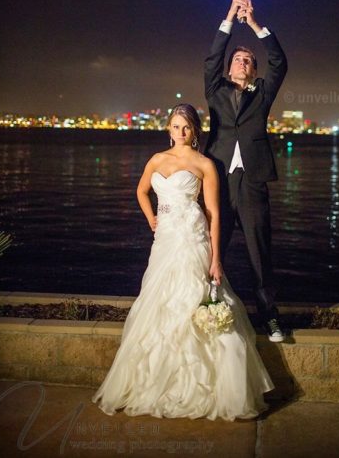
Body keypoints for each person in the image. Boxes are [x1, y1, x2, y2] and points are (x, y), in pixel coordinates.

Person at [91, 103, 274, 420]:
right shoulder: (157, 159)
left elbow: (215, 214)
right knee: (158, 303)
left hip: (193, 240)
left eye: (186, 127)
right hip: (164, 242)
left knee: (195, 301)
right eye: (176, 126)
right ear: (169, 129)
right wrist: (152, 220)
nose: (181, 132)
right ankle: (153, 382)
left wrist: (217, 259)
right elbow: (141, 190)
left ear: (194, 131)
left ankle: (210, 386)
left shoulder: (204, 164)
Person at [204, 0, 288, 342]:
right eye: (237, 58)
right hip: (219, 183)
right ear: (230, 67)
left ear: (253, 70)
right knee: (213, 250)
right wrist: (230, 13)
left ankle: (269, 318)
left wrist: (252, 22)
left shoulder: (262, 94)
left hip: (253, 184)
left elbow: (280, 62)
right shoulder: (216, 91)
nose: (242, 62)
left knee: (259, 254)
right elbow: (211, 59)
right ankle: (207, 308)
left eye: (247, 60)